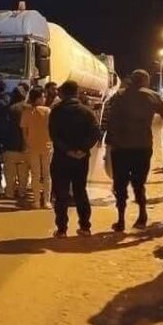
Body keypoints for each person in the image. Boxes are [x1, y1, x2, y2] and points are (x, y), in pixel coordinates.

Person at [105, 70, 163, 231]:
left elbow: (110, 120)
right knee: (139, 183)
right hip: (142, 147)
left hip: (120, 147)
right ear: (146, 81)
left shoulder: (119, 95)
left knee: (120, 184)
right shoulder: (153, 96)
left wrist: (108, 143)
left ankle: (121, 220)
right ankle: (142, 215)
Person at [49, 80, 101, 237]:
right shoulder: (87, 112)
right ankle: (85, 227)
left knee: (61, 194)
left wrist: (68, 150)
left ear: (63, 93)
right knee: (80, 191)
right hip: (81, 159)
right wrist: (82, 150)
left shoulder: (56, 111)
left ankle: (62, 229)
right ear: (76, 93)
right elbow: (95, 133)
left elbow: (54, 135)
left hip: (61, 158)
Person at [20, 86, 53, 209]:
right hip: (47, 145)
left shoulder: (26, 112)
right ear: (38, 98)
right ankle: (47, 201)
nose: (44, 99)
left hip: (32, 146)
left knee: (35, 174)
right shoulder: (47, 111)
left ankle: (36, 201)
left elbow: (24, 131)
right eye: (43, 97)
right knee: (47, 174)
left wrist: (28, 142)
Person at [1, 87, 29, 199]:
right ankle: (22, 192)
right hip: (25, 145)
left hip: (10, 145)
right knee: (23, 172)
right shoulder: (28, 108)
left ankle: (9, 192)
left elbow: (3, 128)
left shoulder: (8, 109)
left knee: (9, 173)